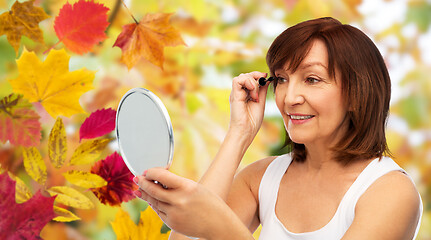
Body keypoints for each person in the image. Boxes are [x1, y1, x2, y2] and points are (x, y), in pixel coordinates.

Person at [133, 17, 423, 240]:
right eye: (282, 79)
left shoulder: (390, 191)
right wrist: (239, 133)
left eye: (312, 79)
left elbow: (214, 226)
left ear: (357, 93)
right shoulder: (262, 178)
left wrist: (223, 228)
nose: (289, 98)